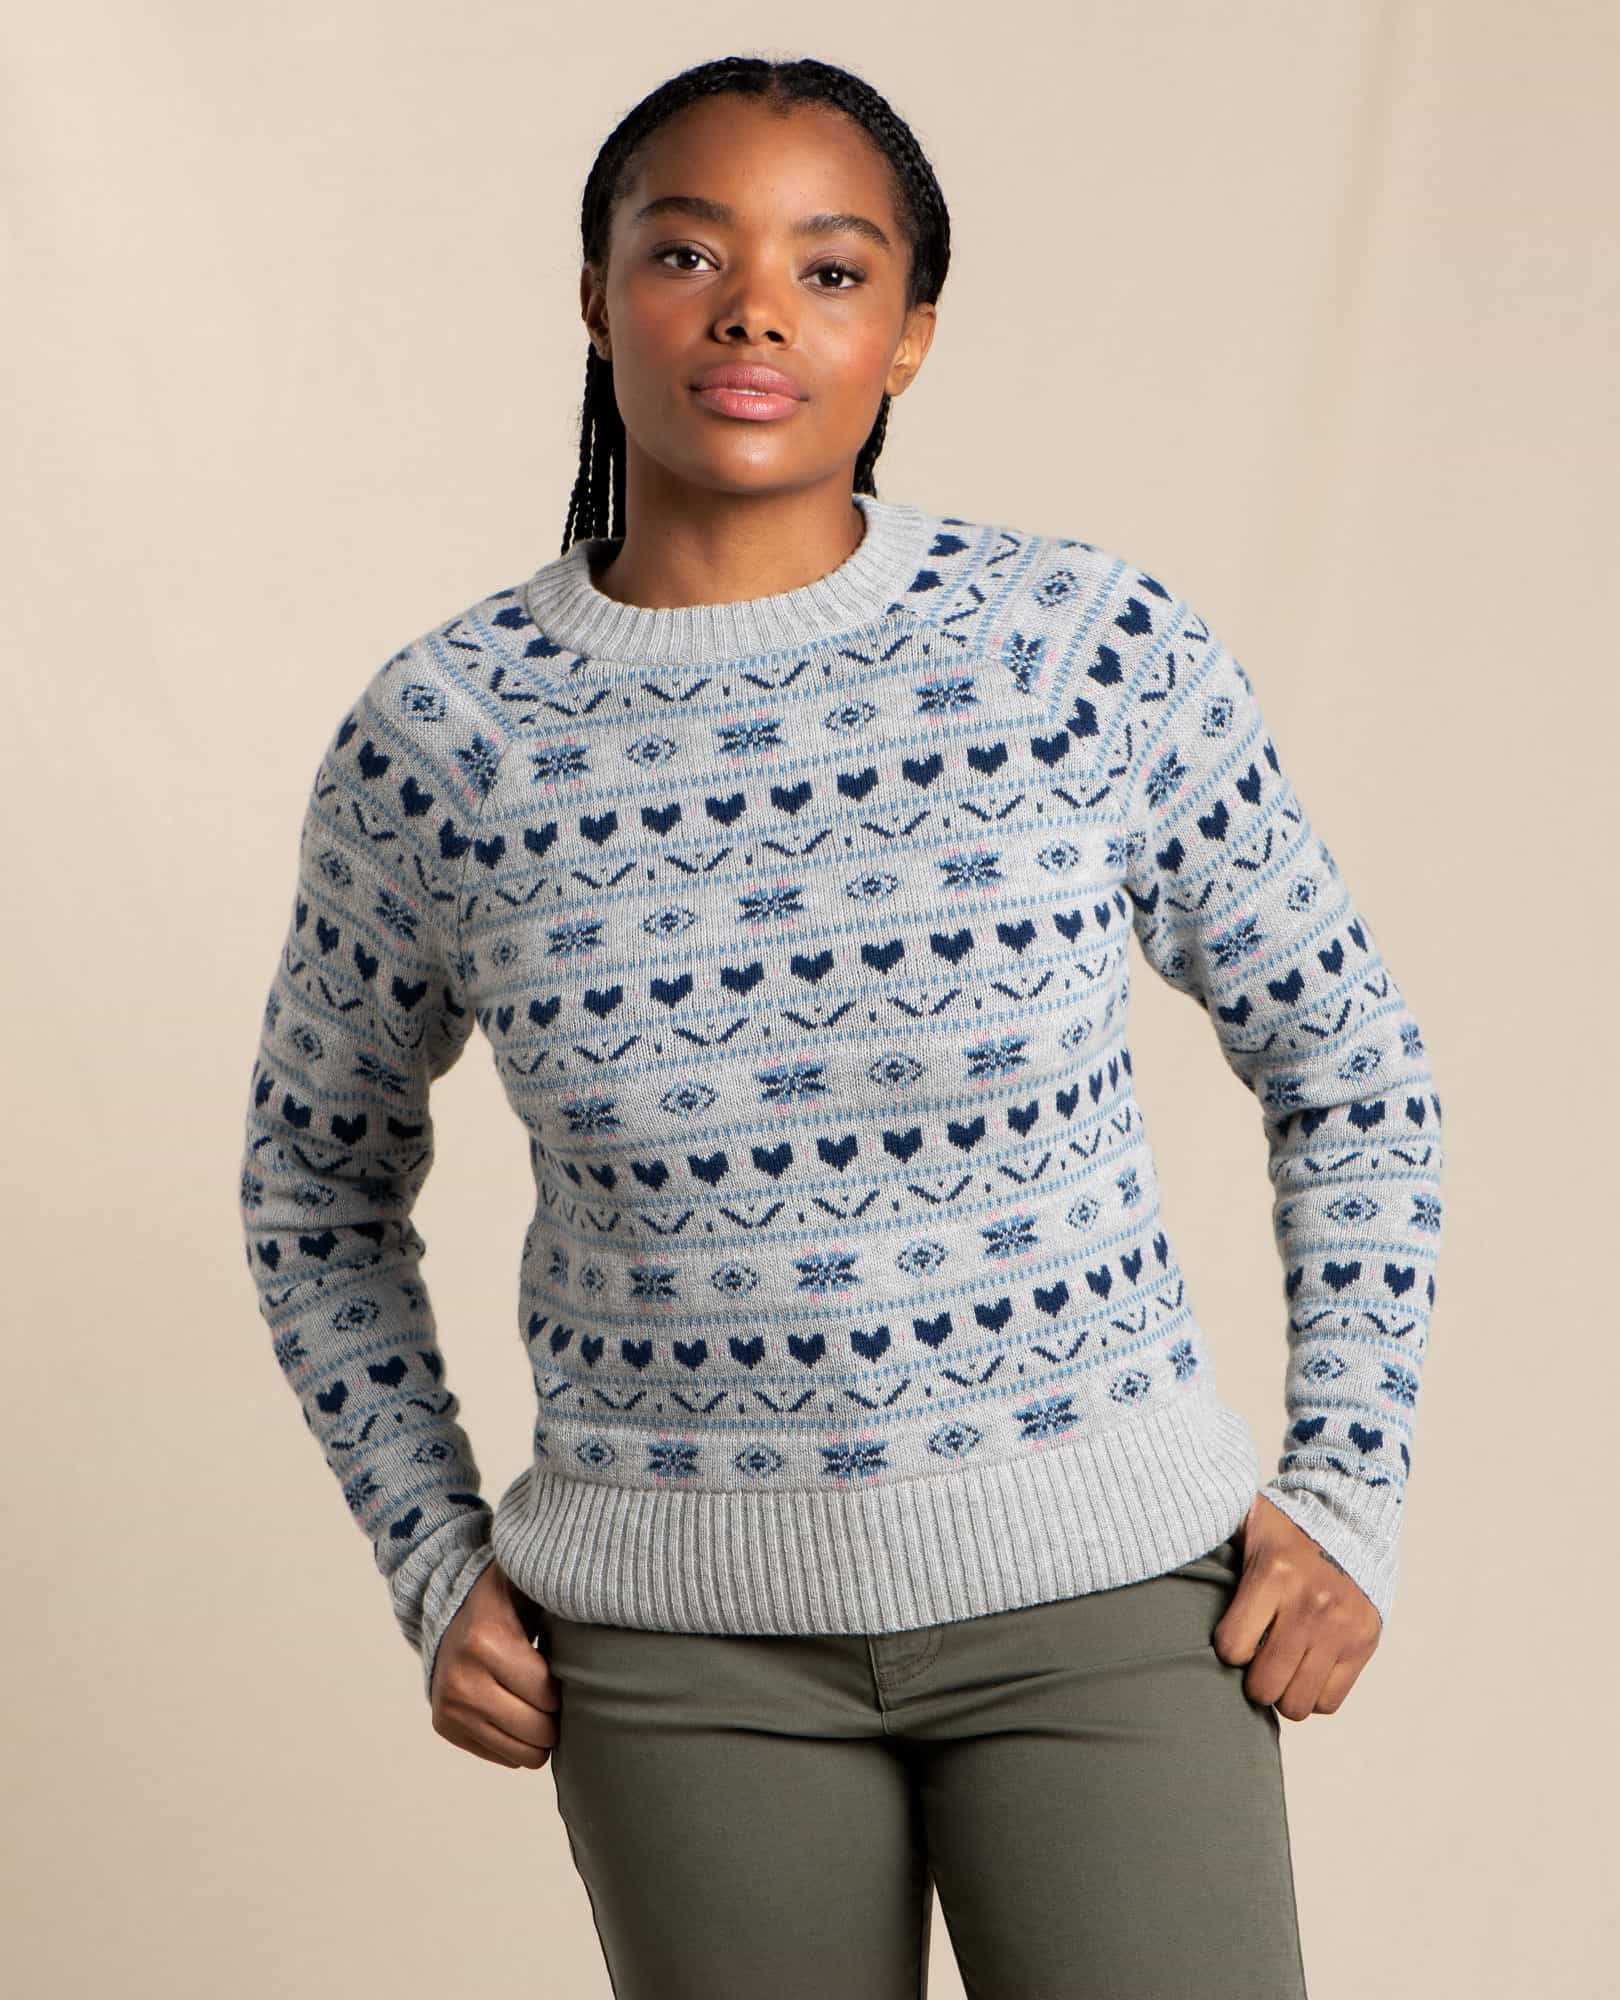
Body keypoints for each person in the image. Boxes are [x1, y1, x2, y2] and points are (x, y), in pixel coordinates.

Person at [237, 52, 1444, 2000]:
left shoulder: (1081, 651)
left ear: (911, 336)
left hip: (1110, 1606)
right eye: (687, 253)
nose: (754, 313)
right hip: (675, 1662)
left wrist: (1351, 1492)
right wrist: (429, 1551)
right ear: (595, 294)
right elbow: (314, 1181)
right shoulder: (446, 738)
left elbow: (1352, 1063)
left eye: (830, 268)